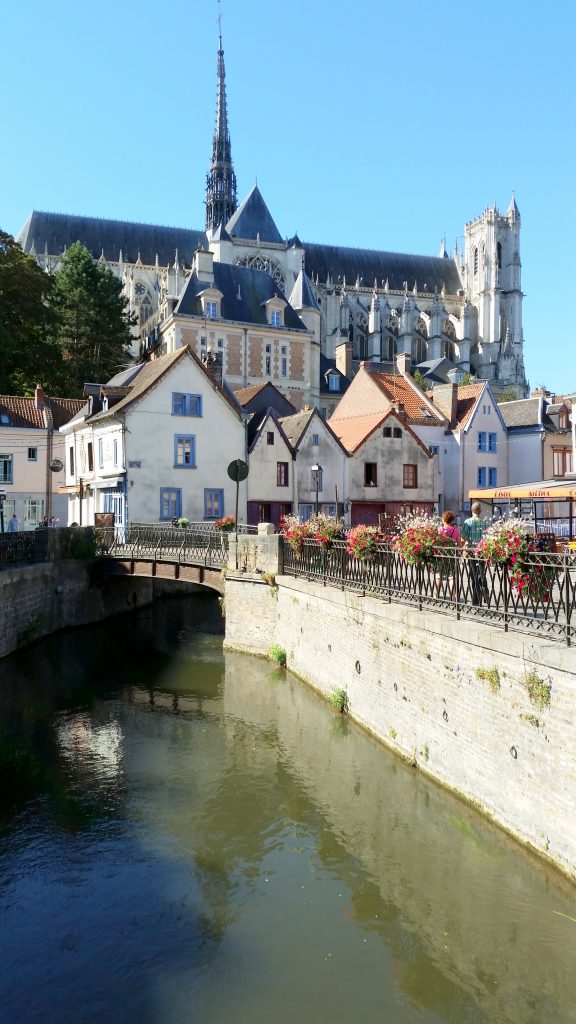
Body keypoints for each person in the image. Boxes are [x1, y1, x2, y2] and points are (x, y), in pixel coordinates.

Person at [462, 502, 488, 605]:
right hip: (483, 550)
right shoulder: (485, 521)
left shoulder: (468, 522)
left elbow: (463, 537)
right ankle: (485, 589)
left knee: (474, 574)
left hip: (472, 551)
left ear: (472, 510)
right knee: (482, 572)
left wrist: (463, 547)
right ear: (480, 510)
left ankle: (476, 599)